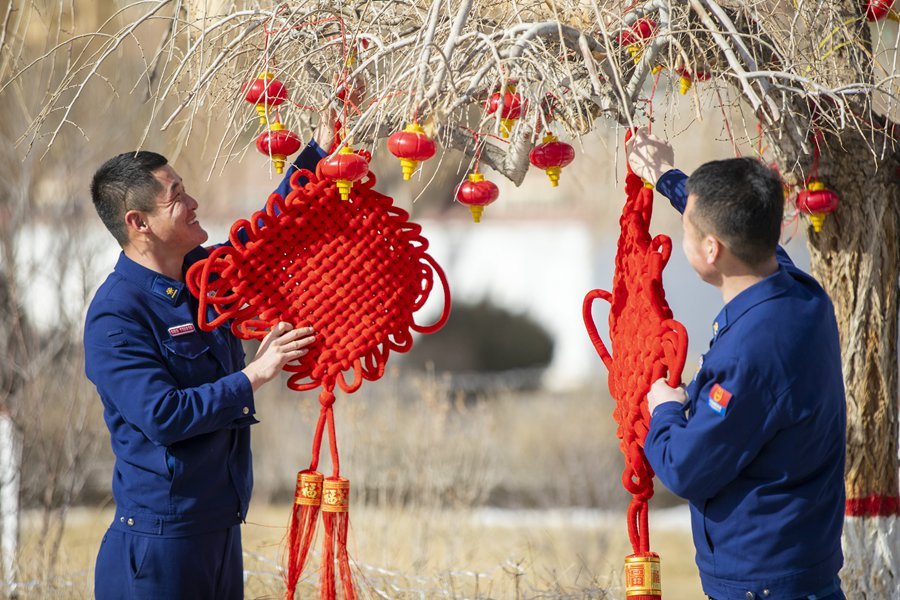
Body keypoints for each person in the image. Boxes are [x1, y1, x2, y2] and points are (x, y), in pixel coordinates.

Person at [84, 122, 335, 598]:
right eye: (175, 195)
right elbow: (163, 414)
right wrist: (255, 374)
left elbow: (269, 234)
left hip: (221, 530)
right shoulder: (117, 314)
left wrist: (319, 150)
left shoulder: (205, 277)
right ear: (137, 223)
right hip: (160, 546)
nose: (192, 201)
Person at [626, 129, 846, 600]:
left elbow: (685, 468)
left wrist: (666, 407)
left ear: (711, 250)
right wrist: (665, 176)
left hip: (764, 587)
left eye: (688, 229)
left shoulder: (748, 356)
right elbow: (730, 220)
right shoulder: (800, 294)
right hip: (804, 574)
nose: (683, 233)